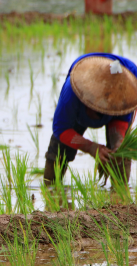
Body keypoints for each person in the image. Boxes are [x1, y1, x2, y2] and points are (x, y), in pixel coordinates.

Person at [44, 53, 137, 185]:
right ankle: (50, 189)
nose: (105, 112)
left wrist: (118, 144)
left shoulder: (127, 93)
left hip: (124, 83)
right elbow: (61, 129)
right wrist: (91, 147)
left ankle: (121, 197)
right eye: (102, 109)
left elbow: (121, 120)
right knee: (58, 152)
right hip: (79, 106)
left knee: (121, 154)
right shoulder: (72, 93)